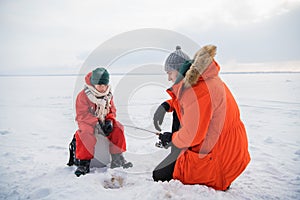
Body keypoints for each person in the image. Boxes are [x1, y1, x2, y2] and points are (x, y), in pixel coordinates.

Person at [152, 45, 250, 191]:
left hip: (218, 162)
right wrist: (167, 105)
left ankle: (179, 153)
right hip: (227, 150)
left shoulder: (197, 92)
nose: (168, 78)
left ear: (179, 71)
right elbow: (187, 104)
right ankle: (177, 152)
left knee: (158, 175)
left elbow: (192, 136)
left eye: (169, 73)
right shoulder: (203, 81)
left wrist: (171, 138)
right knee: (178, 116)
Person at [68, 67, 132, 177]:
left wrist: (109, 121)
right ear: (93, 84)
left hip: (104, 120)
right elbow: (81, 115)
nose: (102, 88)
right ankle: (84, 163)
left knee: (118, 128)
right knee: (84, 134)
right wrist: (97, 122)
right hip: (87, 122)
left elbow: (112, 110)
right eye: (99, 85)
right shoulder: (83, 96)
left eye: (104, 85)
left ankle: (117, 157)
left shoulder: (108, 95)